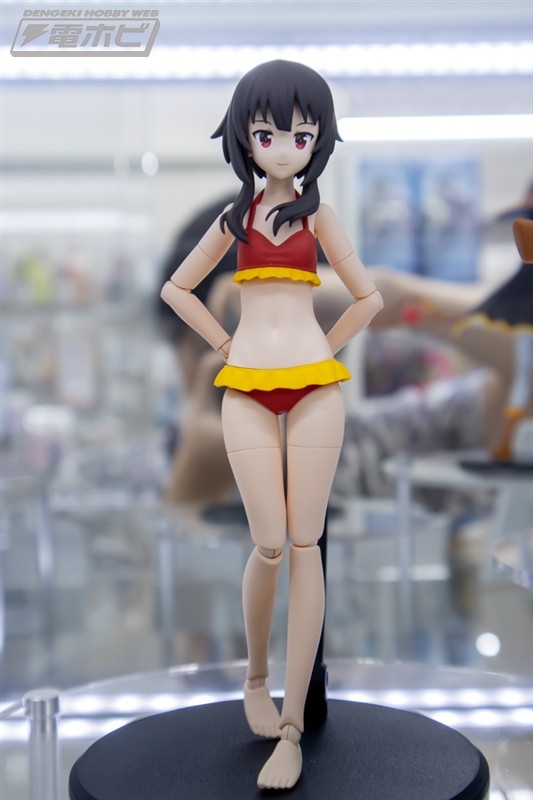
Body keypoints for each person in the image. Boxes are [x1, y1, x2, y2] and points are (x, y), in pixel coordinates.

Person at [161, 60, 382, 791]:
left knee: (304, 545)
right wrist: (225, 345)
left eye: (300, 134)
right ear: (246, 139)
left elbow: (369, 299)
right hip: (246, 391)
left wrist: (327, 351)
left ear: (317, 140)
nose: (284, 148)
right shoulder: (234, 221)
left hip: (315, 391)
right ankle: (254, 678)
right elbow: (177, 288)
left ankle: (292, 727)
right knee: (269, 544)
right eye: (267, 134)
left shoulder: (319, 217)